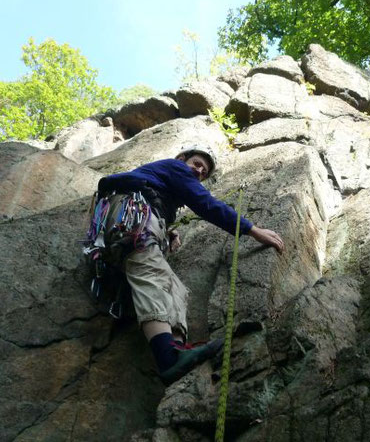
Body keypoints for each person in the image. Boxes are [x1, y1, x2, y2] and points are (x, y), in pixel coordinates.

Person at [96, 145, 284, 385]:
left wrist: (166, 232)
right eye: (196, 164)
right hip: (130, 214)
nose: (199, 172)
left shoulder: (164, 186)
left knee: (174, 287)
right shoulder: (174, 167)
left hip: (135, 221)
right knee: (152, 273)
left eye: (204, 172)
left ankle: (175, 347)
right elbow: (206, 204)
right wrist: (252, 230)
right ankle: (168, 358)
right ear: (182, 159)